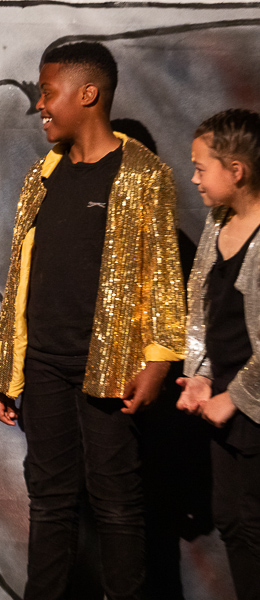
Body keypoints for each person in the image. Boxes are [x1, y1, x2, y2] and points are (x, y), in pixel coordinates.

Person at [0, 42, 186, 600]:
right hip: (45, 365)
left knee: (117, 503)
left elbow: (166, 279)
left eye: (49, 94)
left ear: (88, 94)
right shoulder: (42, 175)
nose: (41, 107)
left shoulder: (144, 176)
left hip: (111, 368)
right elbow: (20, 277)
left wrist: (160, 360)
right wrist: (11, 366)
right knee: (49, 501)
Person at [177, 109, 260, 600]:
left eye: (201, 167)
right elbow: (202, 312)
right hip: (227, 403)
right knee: (231, 518)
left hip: (252, 404)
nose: (194, 179)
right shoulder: (216, 222)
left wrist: (238, 395)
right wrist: (203, 377)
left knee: (254, 521)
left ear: (236, 170)